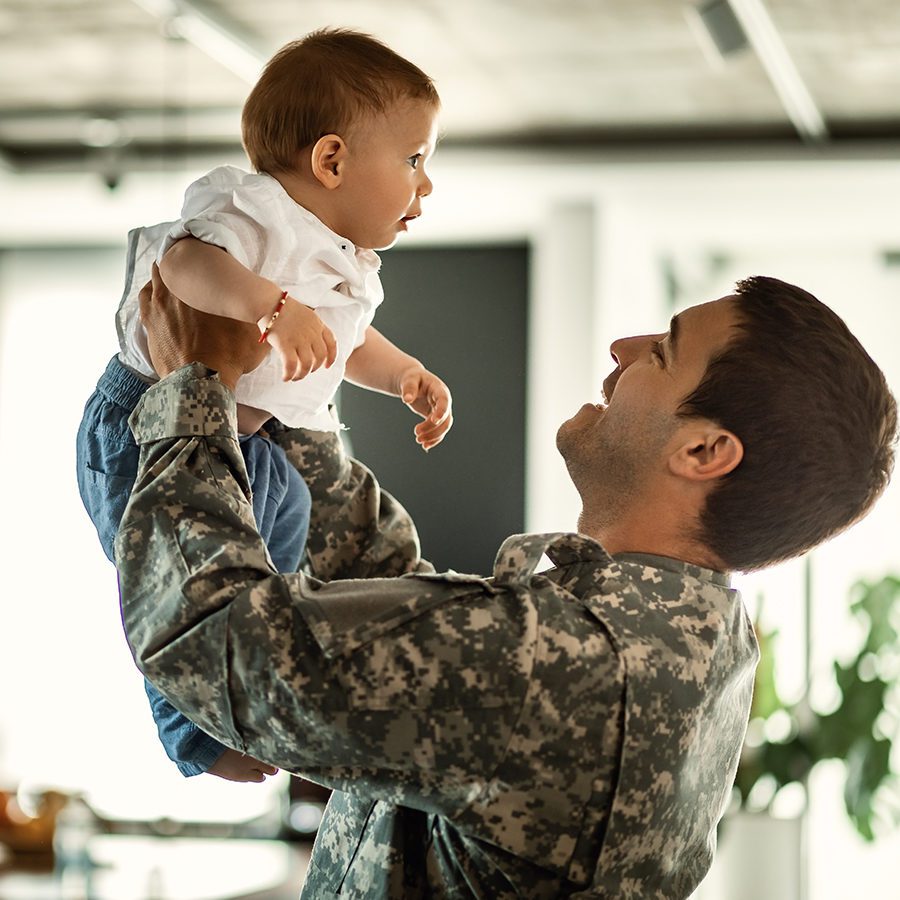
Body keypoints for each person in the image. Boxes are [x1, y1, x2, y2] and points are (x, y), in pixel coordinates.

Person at [116, 269, 896, 898]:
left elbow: (210, 640)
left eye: (663, 350)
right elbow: (398, 622)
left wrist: (193, 389)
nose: (625, 346)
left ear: (703, 453)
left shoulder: (578, 663)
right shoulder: (691, 640)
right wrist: (290, 405)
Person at [76, 28, 451, 782]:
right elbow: (183, 263)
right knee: (179, 584)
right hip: (147, 426)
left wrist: (406, 373)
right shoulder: (256, 211)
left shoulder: (340, 264)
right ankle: (190, 731)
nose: (427, 184)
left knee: (269, 570)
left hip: (251, 453)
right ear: (332, 159)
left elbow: (349, 345)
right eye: (414, 160)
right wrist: (271, 307)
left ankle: (241, 703)